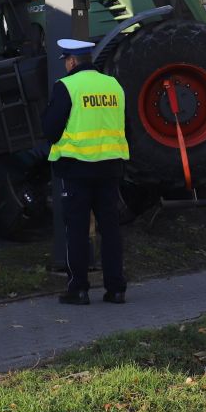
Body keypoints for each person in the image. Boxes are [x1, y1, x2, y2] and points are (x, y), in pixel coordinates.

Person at [43, 38, 129, 305]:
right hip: (110, 168)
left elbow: (50, 129)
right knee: (111, 230)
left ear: (71, 61)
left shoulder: (67, 86)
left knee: (77, 231)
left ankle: (78, 289)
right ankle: (116, 289)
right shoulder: (113, 85)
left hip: (77, 169)